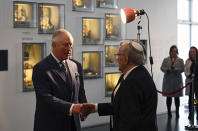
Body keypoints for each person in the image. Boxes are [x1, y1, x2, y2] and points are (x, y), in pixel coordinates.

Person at [81, 40, 158, 131]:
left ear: (126, 59)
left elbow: (128, 120)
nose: (117, 59)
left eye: (118, 55)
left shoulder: (133, 82)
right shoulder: (134, 75)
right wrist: (95, 108)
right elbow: (121, 105)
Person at [32, 29, 87, 131]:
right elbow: (45, 98)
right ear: (54, 45)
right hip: (51, 125)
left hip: (73, 125)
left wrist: (84, 108)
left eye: (71, 45)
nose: (69, 48)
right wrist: (72, 108)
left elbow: (80, 91)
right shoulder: (40, 69)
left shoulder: (76, 65)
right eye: (66, 45)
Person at [160, 45, 184, 118]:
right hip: (168, 80)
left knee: (177, 98)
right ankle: (169, 112)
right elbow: (162, 68)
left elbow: (183, 69)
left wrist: (176, 69)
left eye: (175, 51)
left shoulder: (180, 60)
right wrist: (167, 69)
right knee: (169, 97)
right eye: (173, 51)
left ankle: (177, 112)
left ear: (177, 52)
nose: (174, 52)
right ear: (170, 51)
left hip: (177, 80)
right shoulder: (165, 59)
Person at [184, 46, 198, 119]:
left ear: (196, 52)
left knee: (197, 99)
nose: (192, 53)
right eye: (191, 51)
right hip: (190, 82)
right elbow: (185, 70)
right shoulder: (188, 61)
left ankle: (197, 113)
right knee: (190, 99)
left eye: (193, 51)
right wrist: (189, 75)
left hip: (197, 83)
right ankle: (190, 113)